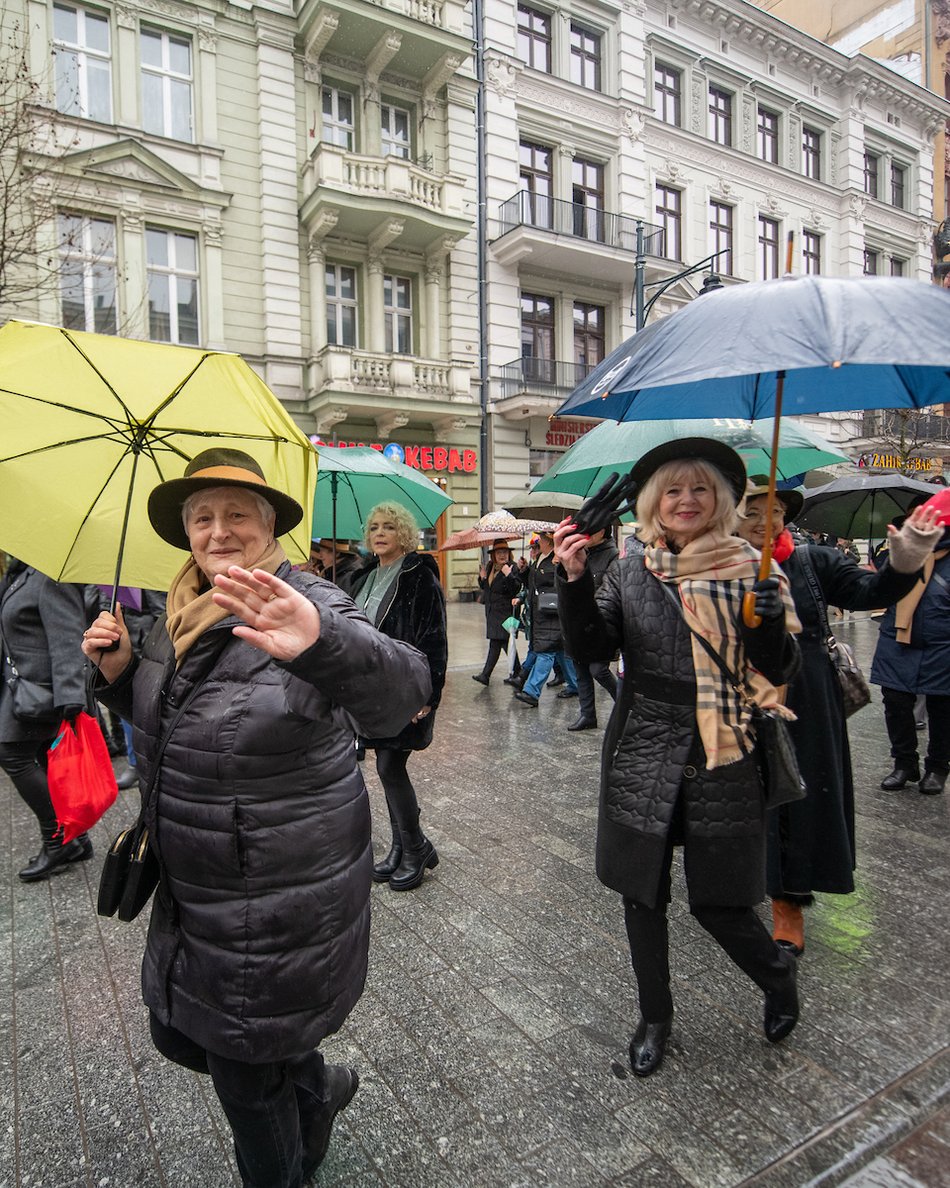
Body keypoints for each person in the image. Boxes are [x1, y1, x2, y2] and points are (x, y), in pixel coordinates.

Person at [81, 448, 430, 1188]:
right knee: (182, 1036)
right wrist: (117, 679)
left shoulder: (301, 598)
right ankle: (317, 1090)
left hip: (274, 896)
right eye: (201, 517)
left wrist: (321, 641)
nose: (218, 531)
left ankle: (292, 1161)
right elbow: (178, 722)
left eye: (237, 513)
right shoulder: (179, 611)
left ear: (270, 523)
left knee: (243, 1078)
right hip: (200, 888)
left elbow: (404, 690)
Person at [555, 439, 802, 1078]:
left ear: (720, 500)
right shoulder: (632, 569)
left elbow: (777, 672)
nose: (686, 500)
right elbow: (591, 645)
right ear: (653, 505)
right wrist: (574, 581)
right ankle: (654, 1015)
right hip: (644, 740)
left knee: (719, 902)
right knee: (642, 893)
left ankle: (775, 975)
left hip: (725, 749)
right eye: (673, 491)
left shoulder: (754, 569)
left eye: (699, 489)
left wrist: (768, 623)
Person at [736, 479, 937, 954]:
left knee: (798, 799)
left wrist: (904, 561)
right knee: (740, 797)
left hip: (806, 697)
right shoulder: (710, 568)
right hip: (735, 696)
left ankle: (789, 902)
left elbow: (871, 591)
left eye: (776, 511)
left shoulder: (812, 561)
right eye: (752, 512)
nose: (767, 522)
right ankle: (737, 883)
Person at [348, 502, 447, 890]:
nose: (379, 533)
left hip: (406, 686)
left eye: (388, 526)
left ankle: (416, 847)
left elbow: (435, 638)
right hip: (374, 690)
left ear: (403, 533)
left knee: (391, 767)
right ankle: (403, 847)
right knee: (386, 767)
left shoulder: (418, 576)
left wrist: (430, 695)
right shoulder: (367, 576)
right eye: (374, 527)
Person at [0, 559, 95, 881]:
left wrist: (71, 699)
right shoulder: (21, 573)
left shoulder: (51, 574)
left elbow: (68, 637)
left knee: (13, 755)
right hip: (21, 689)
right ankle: (76, 838)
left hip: (43, 692)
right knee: (40, 757)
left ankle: (58, 838)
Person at [870, 506, 950, 795]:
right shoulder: (900, 550)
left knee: (942, 707)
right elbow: (876, 585)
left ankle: (938, 767)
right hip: (897, 637)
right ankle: (904, 763)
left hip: (942, 643)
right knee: (894, 700)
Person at [513, 531, 578, 708]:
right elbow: (531, 584)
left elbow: (563, 584)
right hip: (540, 613)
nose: (538, 542)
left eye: (540, 539)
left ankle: (532, 691)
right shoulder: (541, 558)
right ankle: (575, 685)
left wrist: (558, 567)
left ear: (549, 541)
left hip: (552, 613)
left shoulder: (558, 560)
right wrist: (524, 570)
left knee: (546, 651)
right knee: (560, 652)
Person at [568, 528, 619, 731]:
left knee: (598, 670)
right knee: (580, 668)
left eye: (592, 529)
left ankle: (626, 705)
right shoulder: (583, 552)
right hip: (579, 619)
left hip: (600, 623)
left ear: (604, 531)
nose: (585, 534)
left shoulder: (613, 555)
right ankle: (587, 715)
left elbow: (611, 590)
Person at [473, 539, 523, 685]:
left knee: (498, 642)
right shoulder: (490, 567)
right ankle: (518, 673)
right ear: (493, 555)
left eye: (505, 552)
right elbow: (486, 587)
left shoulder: (512, 568)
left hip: (505, 612)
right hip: (492, 612)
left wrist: (509, 575)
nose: (502, 555)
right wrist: (482, 577)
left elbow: (516, 588)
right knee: (504, 643)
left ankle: (486, 675)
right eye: (499, 552)